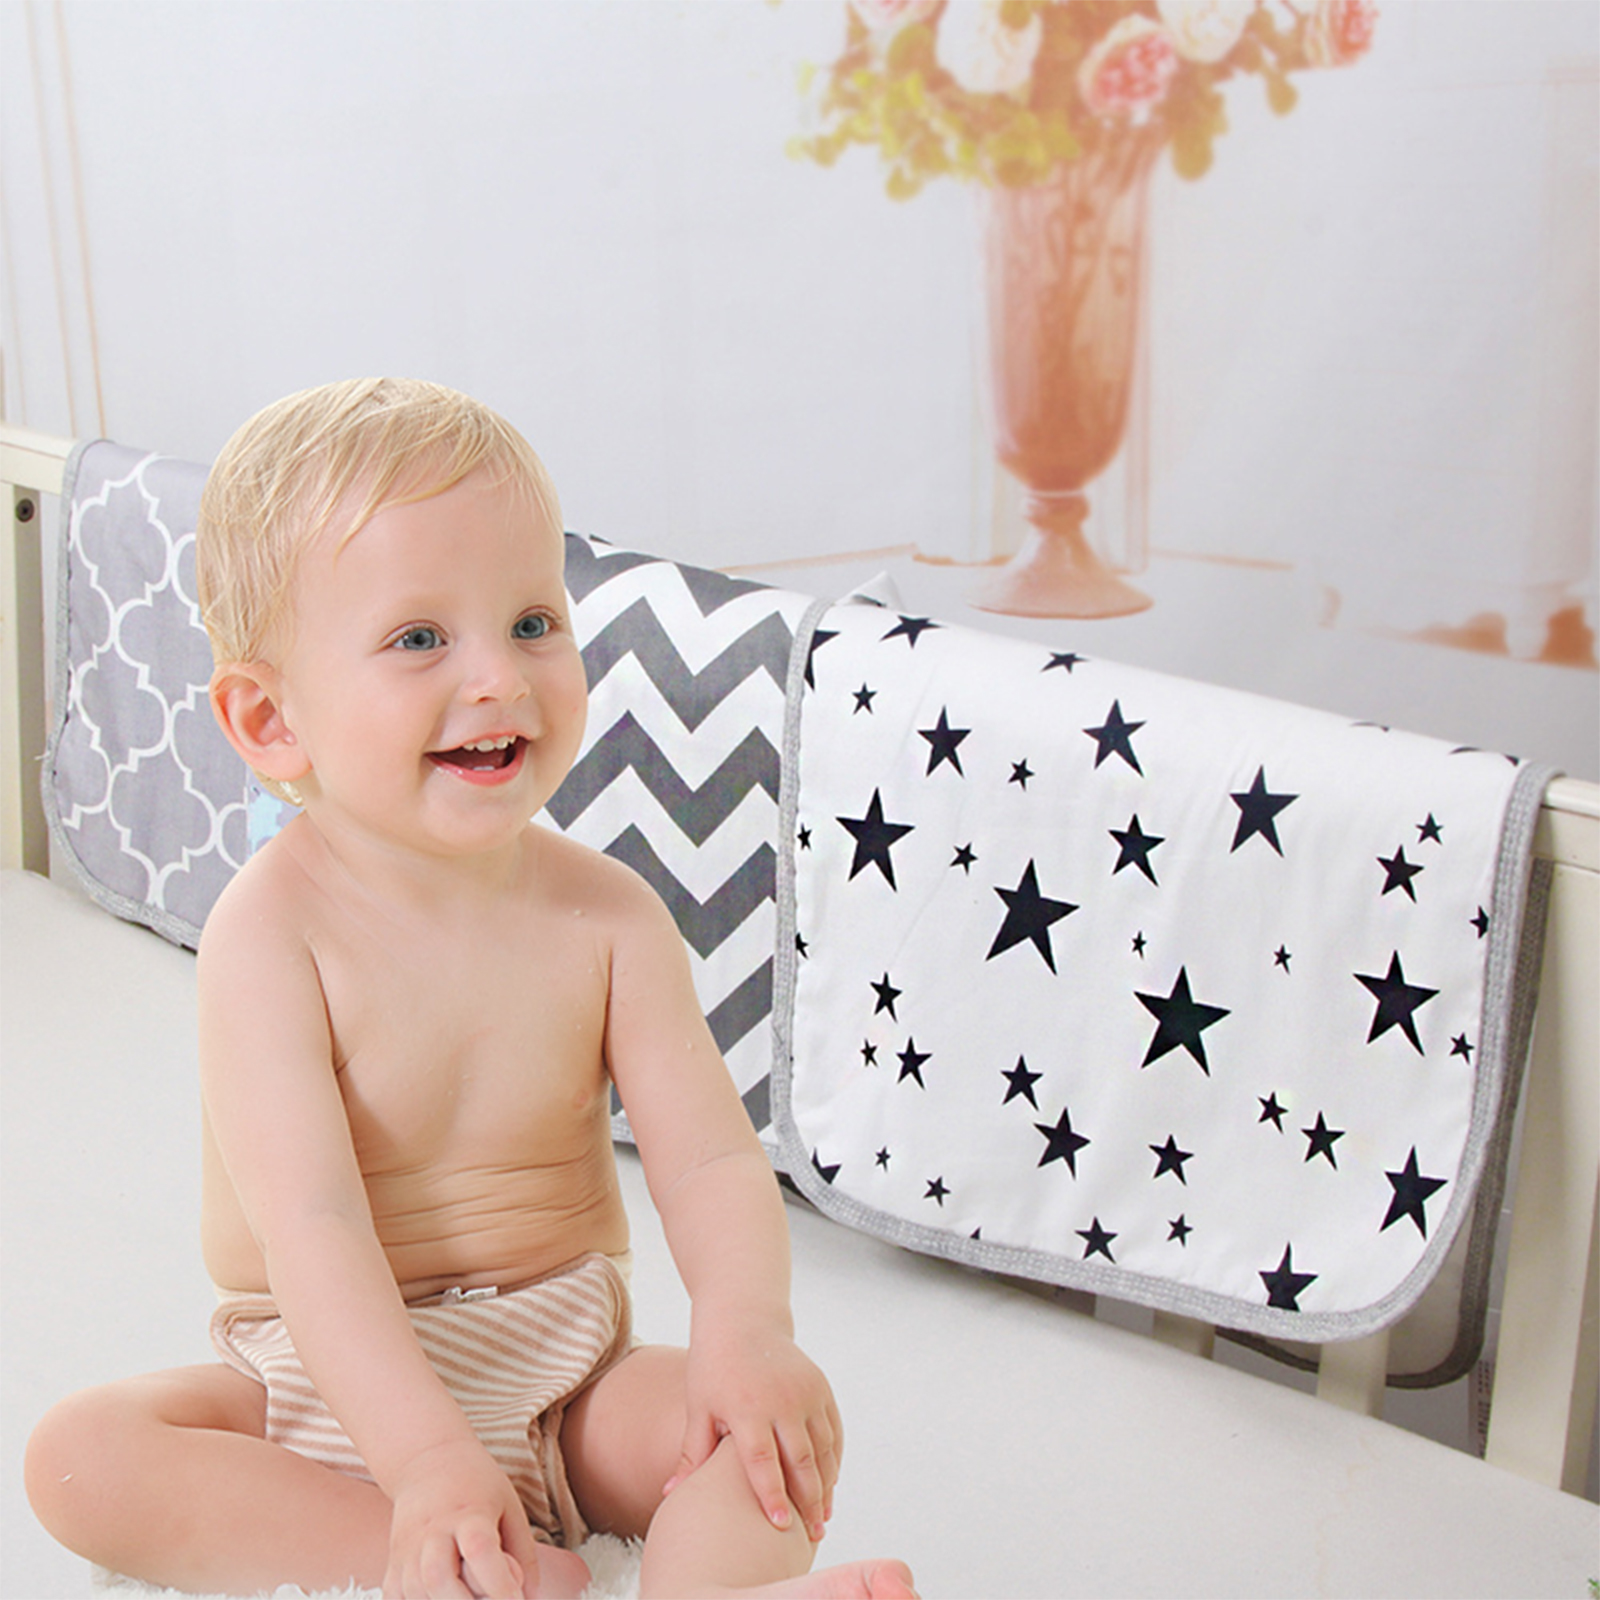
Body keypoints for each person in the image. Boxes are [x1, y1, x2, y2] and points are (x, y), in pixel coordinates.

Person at [26, 378, 918, 1600]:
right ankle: (442, 1565)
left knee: (771, 1427)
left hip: (567, 1382)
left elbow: (711, 1161)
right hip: (326, 1386)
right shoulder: (269, 939)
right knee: (81, 1458)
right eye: (419, 639)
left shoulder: (608, 919)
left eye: (533, 621)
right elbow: (313, 1228)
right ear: (271, 719)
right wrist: (425, 1465)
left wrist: (745, 1333)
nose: (499, 676)